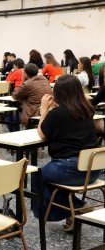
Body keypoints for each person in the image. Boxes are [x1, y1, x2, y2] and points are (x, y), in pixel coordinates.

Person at [33, 74, 101, 230]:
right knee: (50, 176)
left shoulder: (56, 114)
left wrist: (44, 111)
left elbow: (41, 134)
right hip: (93, 169)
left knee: (38, 175)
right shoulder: (87, 109)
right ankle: (73, 211)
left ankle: (74, 207)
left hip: (70, 169)